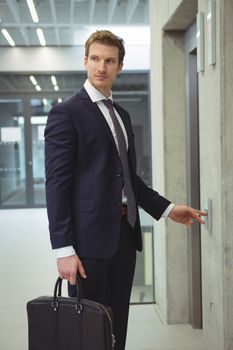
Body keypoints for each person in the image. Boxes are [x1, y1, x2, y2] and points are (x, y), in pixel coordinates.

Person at [44, 30, 206, 350]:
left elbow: (130, 180)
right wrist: (63, 249)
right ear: (85, 61)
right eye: (95, 59)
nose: (101, 66)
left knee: (117, 324)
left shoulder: (122, 116)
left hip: (124, 235)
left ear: (120, 67)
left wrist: (169, 209)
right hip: (87, 241)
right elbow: (57, 184)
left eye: (109, 60)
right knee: (85, 329)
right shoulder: (67, 113)